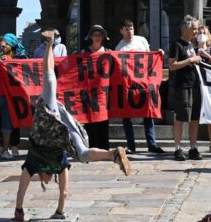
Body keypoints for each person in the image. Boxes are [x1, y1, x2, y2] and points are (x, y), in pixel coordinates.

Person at [13, 29, 131, 222]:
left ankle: (50, 43)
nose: (46, 181)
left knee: (49, 79)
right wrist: (58, 212)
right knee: (83, 153)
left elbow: (22, 188)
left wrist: (19, 211)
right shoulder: (59, 165)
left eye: (46, 181)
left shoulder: (33, 162)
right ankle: (113, 154)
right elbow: (65, 192)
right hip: (62, 129)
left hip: (48, 118)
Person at [114, 19, 165, 154]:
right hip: (129, 86)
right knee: (126, 116)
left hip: (143, 83)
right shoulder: (119, 48)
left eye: (131, 28)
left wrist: (157, 54)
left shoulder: (141, 40)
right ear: (121, 31)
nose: (129, 31)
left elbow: (149, 59)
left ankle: (152, 144)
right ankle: (131, 146)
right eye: (126, 29)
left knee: (148, 113)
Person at [169, 15, 202, 161]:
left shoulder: (191, 45)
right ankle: (177, 148)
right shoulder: (177, 44)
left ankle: (193, 147)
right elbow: (172, 65)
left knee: (194, 118)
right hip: (182, 85)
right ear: (185, 28)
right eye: (194, 29)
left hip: (194, 85)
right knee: (181, 117)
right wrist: (190, 60)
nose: (196, 32)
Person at [79, 25, 111, 150]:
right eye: (95, 35)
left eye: (99, 35)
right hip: (88, 92)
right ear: (91, 37)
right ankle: (92, 149)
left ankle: (104, 149)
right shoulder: (84, 52)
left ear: (103, 37)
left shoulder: (108, 52)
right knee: (90, 120)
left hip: (103, 93)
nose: (97, 37)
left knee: (103, 120)